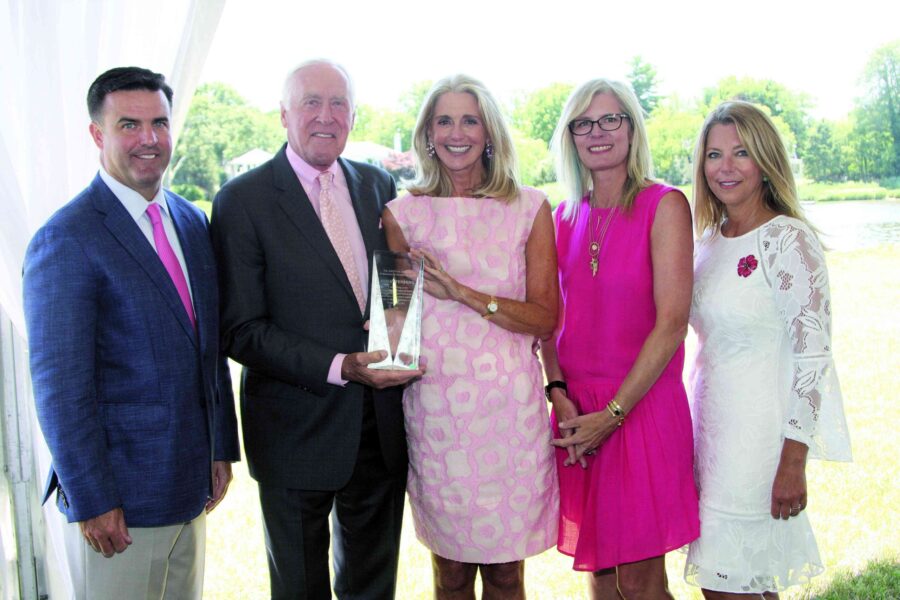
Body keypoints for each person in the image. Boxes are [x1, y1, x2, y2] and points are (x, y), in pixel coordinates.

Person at [22, 66, 239, 599]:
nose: (149, 139)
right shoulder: (66, 238)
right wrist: (93, 498)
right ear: (97, 134)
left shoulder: (191, 221)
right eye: (129, 125)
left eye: (159, 123)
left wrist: (219, 447)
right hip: (120, 503)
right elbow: (60, 388)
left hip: (190, 487)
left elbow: (207, 350)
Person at [210, 59, 423, 600]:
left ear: (353, 115)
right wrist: (340, 367)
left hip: (378, 429)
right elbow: (241, 330)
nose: (326, 116)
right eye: (311, 102)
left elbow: (393, 281)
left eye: (338, 104)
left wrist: (398, 329)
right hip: (294, 432)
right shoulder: (242, 201)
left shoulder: (377, 184)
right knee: (299, 588)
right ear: (284, 114)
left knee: (372, 587)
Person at [383, 74, 559, 599]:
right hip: (438, 417)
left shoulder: (530, 207)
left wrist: (460, 291)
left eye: (469, 120)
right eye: (444, 121)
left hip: (510, 415)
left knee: (506, 573)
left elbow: (545, 318)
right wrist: (383, 343)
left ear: (488, 133)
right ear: (428, 134)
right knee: (451, 572)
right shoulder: (401, 214)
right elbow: (395, 326)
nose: (456, 133)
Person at [685, 101, 852, 599]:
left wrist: (793, 459)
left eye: (741, 153)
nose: (726, 167)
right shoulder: (708, 242)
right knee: (741, 583)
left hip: (758, 442)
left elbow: (813, 357)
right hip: (709, 432)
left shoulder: (787, 239)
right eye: (714, 154)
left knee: (728, 586)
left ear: (765, 161)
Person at [541, 78, 699, 598]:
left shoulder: (664, 205)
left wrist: (612, 415)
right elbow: (549, 320)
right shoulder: (563, 216)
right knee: (600, 576)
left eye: (611, 119)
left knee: (640, 582)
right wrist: (558, 392)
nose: (598, 132)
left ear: (632, 128)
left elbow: (672, 322)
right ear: (570, 137)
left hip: (640, 410)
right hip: (577, 413)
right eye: (583, 123)